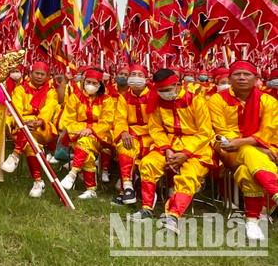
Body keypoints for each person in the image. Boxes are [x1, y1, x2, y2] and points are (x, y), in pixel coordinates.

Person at [131, 69, 213, 235]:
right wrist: (167, 148)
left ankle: (173, 215)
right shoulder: (156, 101)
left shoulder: (196, 100)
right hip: (167, 145)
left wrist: (186, 153)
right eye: (161, 91)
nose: (165, 94)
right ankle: (147, 208)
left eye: (168, 90)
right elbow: (155, 128)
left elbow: (205, 132)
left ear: (178, 85)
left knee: (188, 175)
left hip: (196, 147)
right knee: (148, 164)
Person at [208, 60, 278, 241]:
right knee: (248, 152)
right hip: (227, 148)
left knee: (246, 170)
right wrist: (248, 145)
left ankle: (251, 221)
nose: (241, 77)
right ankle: (273, 191)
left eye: (246, 74)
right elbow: (221, 131)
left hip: (263, 147)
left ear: (256, 78)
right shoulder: (217, 99)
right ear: (229, 78)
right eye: (237, 74)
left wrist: (246, 145)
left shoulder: (268, 101)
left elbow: (268, 129)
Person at [0, 62, 59, 197]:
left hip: (42, 128)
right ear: (30, 74)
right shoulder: (20, 89)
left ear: (47, 76)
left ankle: (15, 155)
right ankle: (38, 182)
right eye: (36, 73)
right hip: (22, 125)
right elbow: (16, 108)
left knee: (29, 133)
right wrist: (23, 121)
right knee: (31, 145)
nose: (39, 76)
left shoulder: (51, 92)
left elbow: (49, 109)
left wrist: (38, 121)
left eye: (42, 74)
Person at [59, 68, 115, 199]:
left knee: (84, 142)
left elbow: (107, 121)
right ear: (83, 82)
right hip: (78, 135)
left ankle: (72, 173)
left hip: (100, 136)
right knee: (86, 151)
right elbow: (67, 119)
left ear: (100, 85)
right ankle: (91, 190)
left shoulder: (107, 100)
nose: (91, 85)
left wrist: (91, 130)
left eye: (95, 83)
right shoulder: (75, 98)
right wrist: (83, 130)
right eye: (88, 82)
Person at [111, 65, 151, 205]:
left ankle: (126, 190)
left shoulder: (153, 96)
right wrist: (124, 132)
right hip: (130, 135)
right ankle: (127, 187)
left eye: (140, 75)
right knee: (125, 146)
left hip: (150, 137)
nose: (135, 77)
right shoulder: (124, 97)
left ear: (146, 79)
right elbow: (120, 118)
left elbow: (156, 123)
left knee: (139, 150)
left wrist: (131, 132)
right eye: (133, 74)